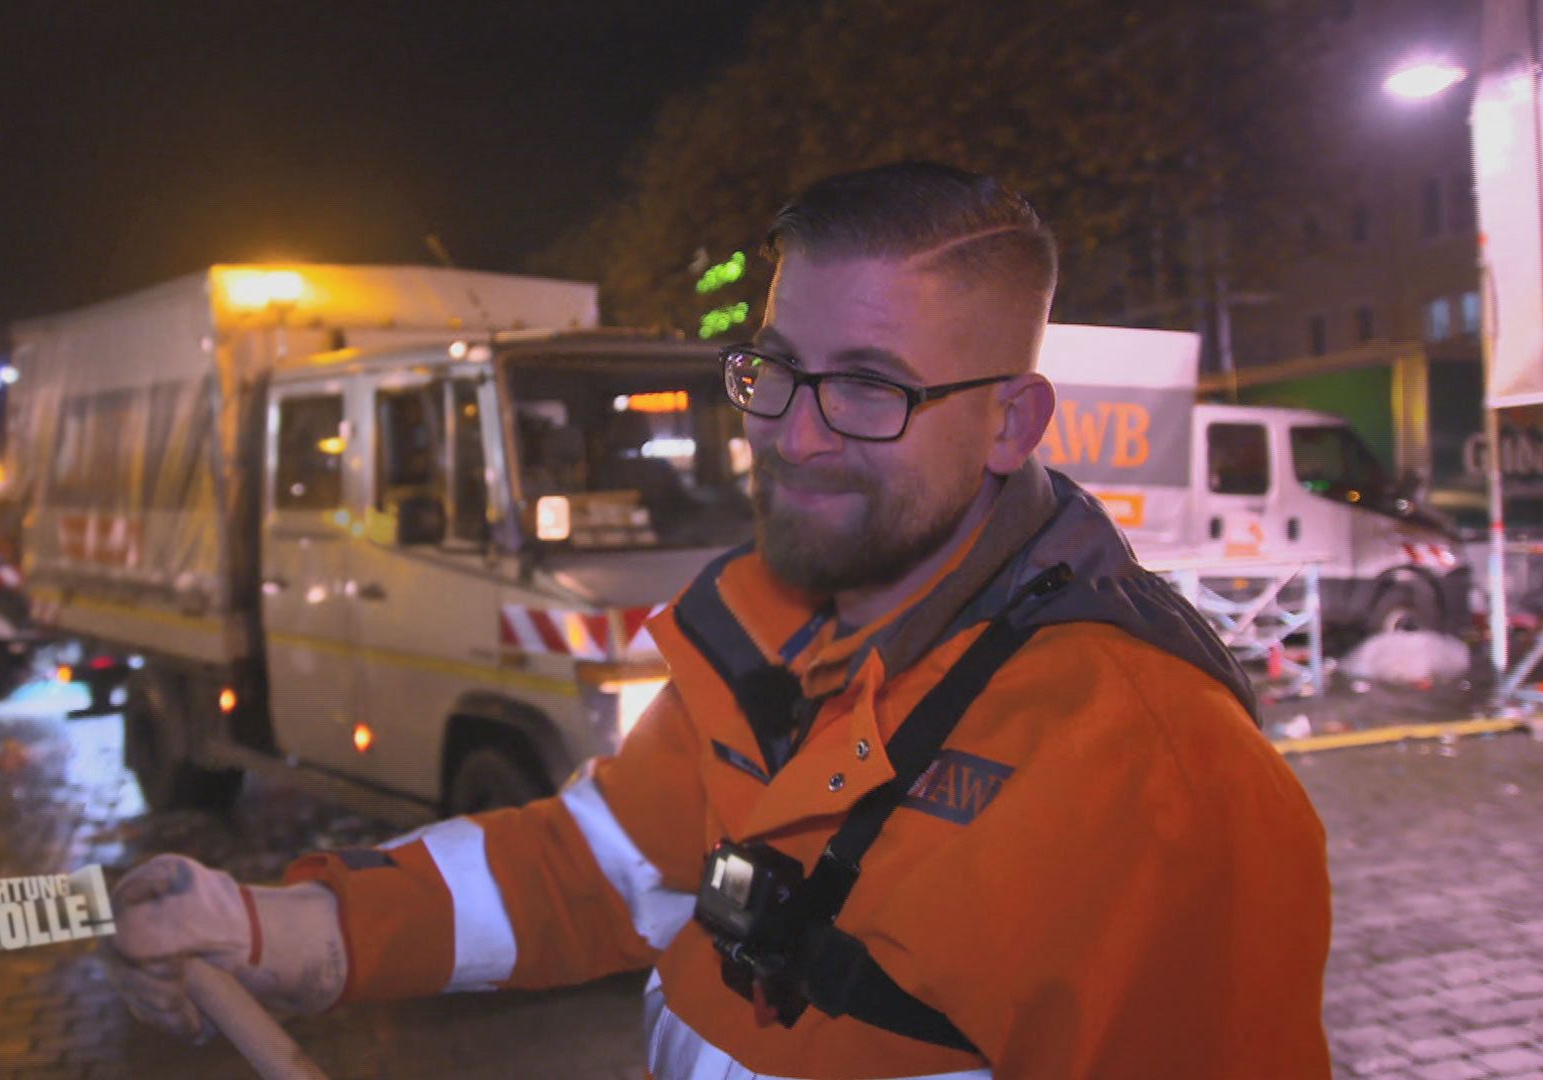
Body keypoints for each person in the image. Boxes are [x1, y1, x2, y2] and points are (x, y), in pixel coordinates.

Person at [106, 162, 1332, 1078]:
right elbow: (587, 870)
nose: (792, 435)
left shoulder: (1151, 776)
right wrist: (289, 928)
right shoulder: (763, 636)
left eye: (868, 389)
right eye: (778, 369)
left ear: (1013, 423)